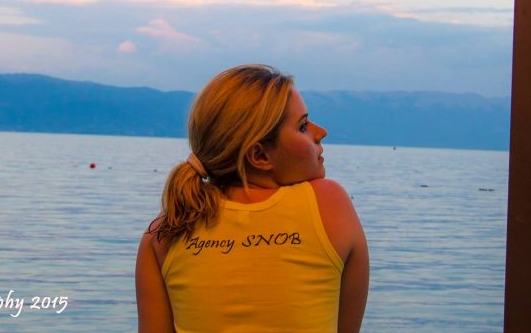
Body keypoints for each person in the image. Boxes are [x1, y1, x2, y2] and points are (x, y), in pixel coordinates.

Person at [135, 64, 369, 333]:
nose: (321, 131)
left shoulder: (165, 230)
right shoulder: (329, 203)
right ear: (259, 156)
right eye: (303, 126)